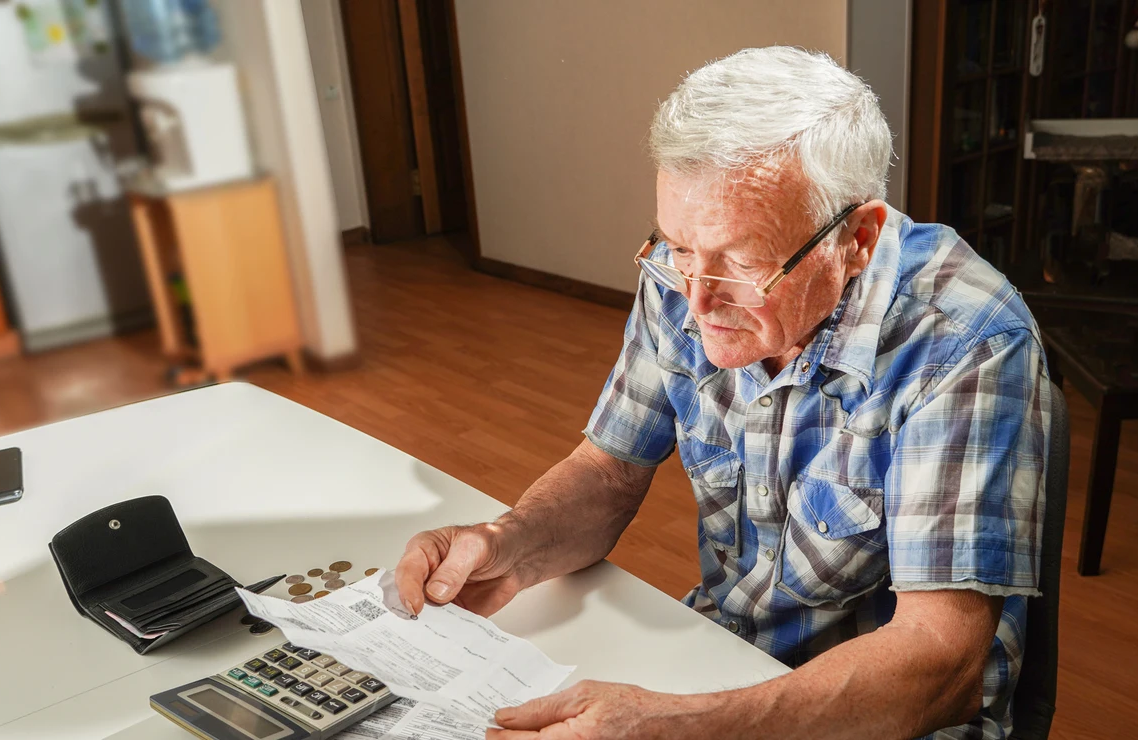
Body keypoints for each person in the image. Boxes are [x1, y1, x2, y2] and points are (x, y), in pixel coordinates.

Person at [395, 46, 1050, 739]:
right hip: (720, 663)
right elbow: (609, 472)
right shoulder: (684, 278)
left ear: (857, 239)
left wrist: (680, 727)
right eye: (677, 246)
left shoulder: (968, 342)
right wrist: (509, 542)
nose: (698, 300)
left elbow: (940, 665)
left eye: (742, 261)